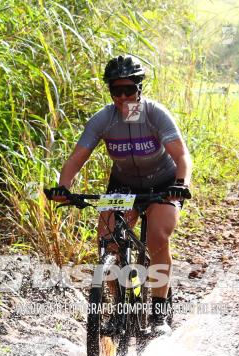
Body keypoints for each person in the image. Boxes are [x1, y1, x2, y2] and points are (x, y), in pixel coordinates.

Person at [45, 55, 193, 336]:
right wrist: (63, 187)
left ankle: (159, 312)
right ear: (110, 91)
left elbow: (182, 156)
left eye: (129, 90)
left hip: (163, 184)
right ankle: (117, 308)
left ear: (140, 88)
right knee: (108, 242)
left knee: (157, 238)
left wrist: (181, 182)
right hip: (123, 186)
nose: (124, 97)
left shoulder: (155, 114)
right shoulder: (104, 119)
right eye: (117, 91)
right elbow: (78, 157)